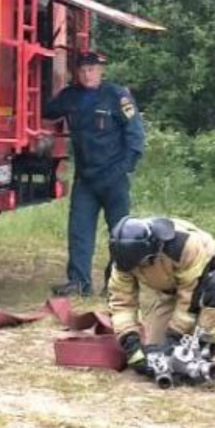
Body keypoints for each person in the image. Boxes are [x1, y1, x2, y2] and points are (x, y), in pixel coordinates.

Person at [40, 51, 145, 295]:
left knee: (120, 234)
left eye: (92, 69)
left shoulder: (118, 97)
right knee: (79, 232)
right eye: (83, 70)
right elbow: (46, 110)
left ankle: (116, 285)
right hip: (86, 178)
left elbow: (136, 138)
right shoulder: (71, 97)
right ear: (77, 72)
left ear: (101, 71)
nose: (88, 74)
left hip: (114, 177)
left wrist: (124, 169)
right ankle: (78, 283)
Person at [106, 216, 215, 371]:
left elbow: (191, 296)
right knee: (155, 351)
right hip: (172, 292)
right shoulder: (123, 260)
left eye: (141, 264)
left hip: (205, 284)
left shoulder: (184, 245)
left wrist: (174, 337)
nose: (137, 269)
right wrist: (131, 344)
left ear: (153, 250)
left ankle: (206, 349)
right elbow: (121, 303)